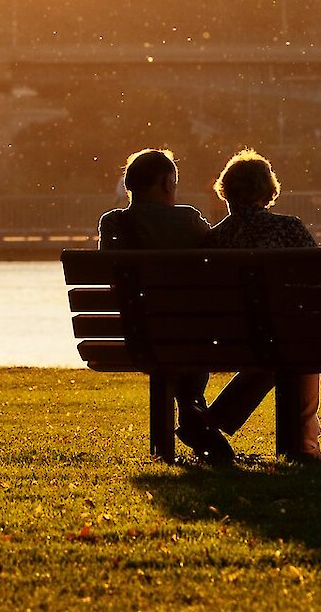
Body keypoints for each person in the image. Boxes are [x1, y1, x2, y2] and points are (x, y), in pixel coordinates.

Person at [201, 149, 321, 463]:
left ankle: (213, 421)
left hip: (235, 340)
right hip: (292, 335)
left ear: (225, 191)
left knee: (276, 346)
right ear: (267, 190)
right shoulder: (288, 228)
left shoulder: (213, 240)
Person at [96, 148, 223, 459]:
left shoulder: (112, 223)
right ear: (167, 183)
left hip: (135, 335)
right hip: (193, 336)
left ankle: (193, 413)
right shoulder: (188, 219)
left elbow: (106, 271)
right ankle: (193, 408)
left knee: (169, 331)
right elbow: (217, 268)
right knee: (187, 327)